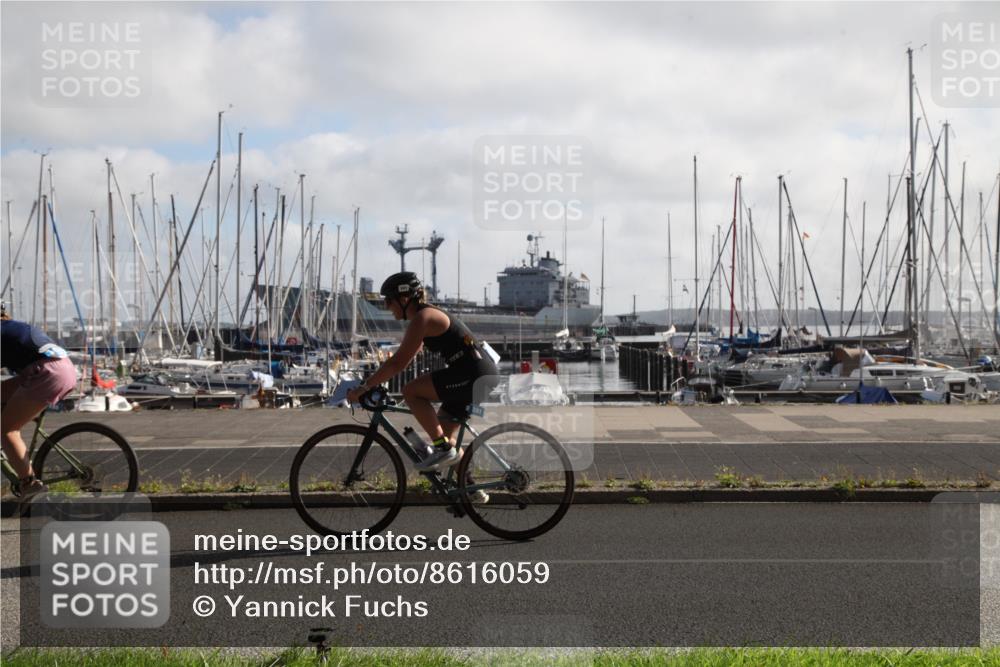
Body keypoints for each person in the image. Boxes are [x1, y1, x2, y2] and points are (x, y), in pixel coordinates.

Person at [346, 272, 498, 481]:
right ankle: (471, 490)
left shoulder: (423, 318)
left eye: (389, 301)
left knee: (411, 392)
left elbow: (397, 363)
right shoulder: (425, 317)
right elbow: (403, 361)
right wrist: (375, 382)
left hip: (472, 375)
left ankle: (443, 449)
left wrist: (364, 387)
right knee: (445, 439)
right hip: (475, 374)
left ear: (404, 298)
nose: (387, 307)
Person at [1, 306, 78, 499]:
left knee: (6, 429)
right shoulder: (11, 327)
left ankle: (29, 483)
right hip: (61, 368)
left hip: (46, 373)